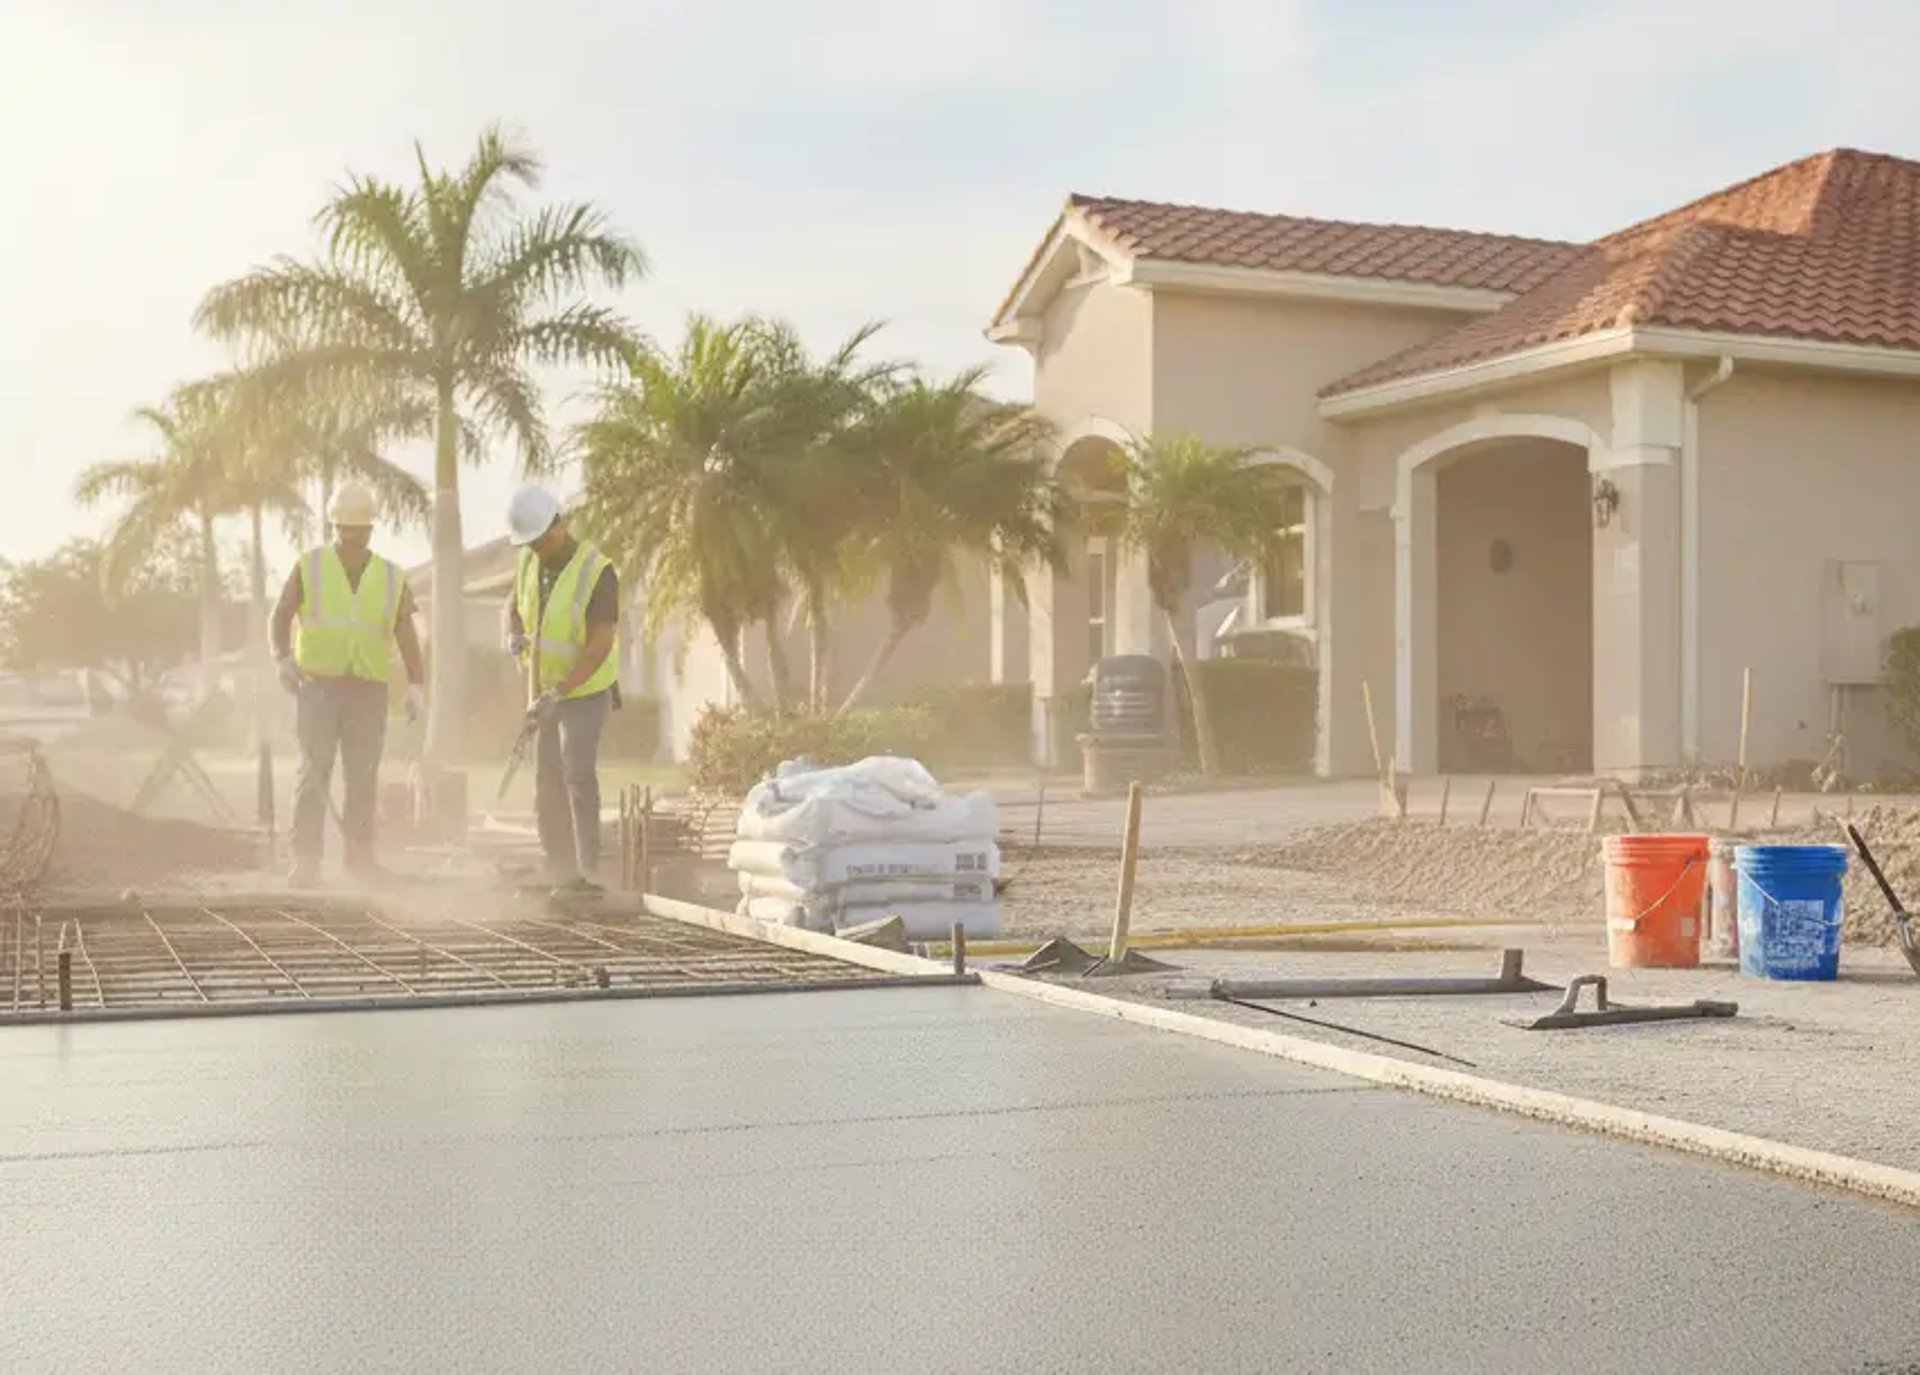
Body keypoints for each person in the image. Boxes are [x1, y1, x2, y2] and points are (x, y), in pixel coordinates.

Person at [271, 483, 426, 887]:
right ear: (334, 526)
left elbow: (404, 628)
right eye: (344, 530)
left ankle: (360, 859)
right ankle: (306, 859)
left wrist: (415, 683)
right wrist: (282, 659)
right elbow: (281, 614)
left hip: (368, 689)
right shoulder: (311, 566)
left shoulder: (391, 576)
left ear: (371, 530)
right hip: (318, 687)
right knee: (314, 773)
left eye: (358, 531)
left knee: (363, 776)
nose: (351, 538)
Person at [503, 484, 620, 895]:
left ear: (557, 528)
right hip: (544, 689)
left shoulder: (597, 571)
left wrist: (561, 690)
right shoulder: (527, 561)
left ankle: (587, 871)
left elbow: (600, 644)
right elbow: (514, 604)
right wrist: (513, 633)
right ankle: (558, 867)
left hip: (585, 689)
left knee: (577, 772)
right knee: (545, 777)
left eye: (538, 542)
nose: (534, 550)